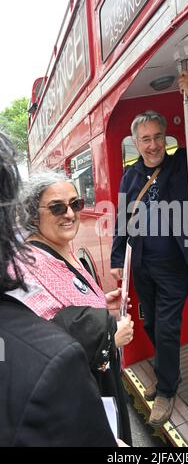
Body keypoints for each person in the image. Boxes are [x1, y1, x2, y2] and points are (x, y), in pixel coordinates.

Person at [110, 70, 188, 426]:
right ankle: (167, 376)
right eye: (145, 139)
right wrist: (117, 261)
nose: (153, 144)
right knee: (151, 325)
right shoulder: (130, 176)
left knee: (169, 328)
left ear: (165, 139)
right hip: (142, 266)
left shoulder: (182, 163)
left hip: (174, 264)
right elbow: (122, 221)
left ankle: (166, 391)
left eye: (158, 136)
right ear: (136, 142)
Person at [0, 132, 121, 447]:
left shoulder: (64, 247)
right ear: (31, 214)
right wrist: (111, 334)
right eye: (56, 208)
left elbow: (73, 302)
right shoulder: (26, 267)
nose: (69, 214)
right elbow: (45, 344)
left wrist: (99, 303)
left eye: (75, 204)